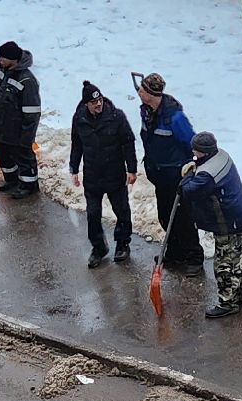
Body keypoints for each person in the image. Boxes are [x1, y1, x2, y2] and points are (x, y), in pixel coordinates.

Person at [178, 131, 242, 319]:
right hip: (240, 215)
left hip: (227, 221)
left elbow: (186, 190)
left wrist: (188, 175)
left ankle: (227, 302)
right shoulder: (222, 155)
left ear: (204, 151)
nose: (193, 152)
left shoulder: (207, 175)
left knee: (224, 262)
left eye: (195, 151)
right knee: (240, 255)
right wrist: (196, 165)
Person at [134, 73, 202, 275]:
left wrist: (191, 167)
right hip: (159, 175)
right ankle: (175, 252)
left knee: (183, 218)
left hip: (176, 176)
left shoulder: (174, 117)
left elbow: (191, 143)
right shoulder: (146, 111)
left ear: (151, 94)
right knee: (165, 216)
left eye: (143, 90)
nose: (139, 92)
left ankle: (194, 257)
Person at [69, 82, 138, 268]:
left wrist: (132, 169)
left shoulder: (116, 117)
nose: (98, 104)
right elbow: (77, 144)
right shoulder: (79, 119)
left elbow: (128, 142)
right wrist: (74, 168)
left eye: (99, 100)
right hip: (92, 176)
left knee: (121, 210)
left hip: (114, 174)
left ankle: (123, 243)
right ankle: (98, 247)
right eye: (94, 102)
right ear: (86, 104)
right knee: (92, 214)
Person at [0, 41, 41, 199]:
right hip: (3, 127)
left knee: (23, 157)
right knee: (1, 151)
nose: (0, 60)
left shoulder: (27, 80)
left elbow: (32, 112)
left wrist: (27, 136)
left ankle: (29, 186)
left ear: (13, 59)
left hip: (18, 129)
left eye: (3, 57)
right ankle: (12, 180)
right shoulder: (2, 72)